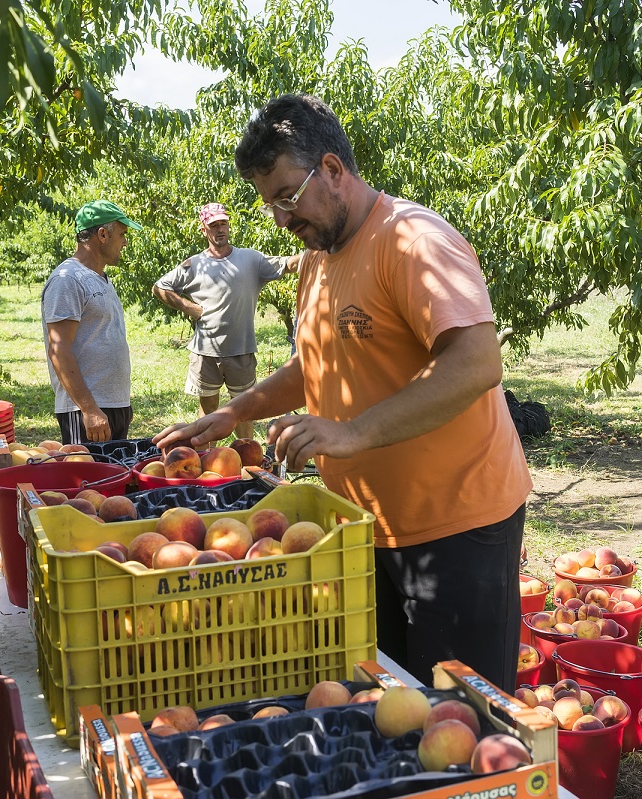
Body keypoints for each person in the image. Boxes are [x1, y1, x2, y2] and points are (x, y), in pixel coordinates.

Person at [155, 94, 533, 688]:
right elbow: (314, 365)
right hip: (363, 528)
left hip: (455, 528)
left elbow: (477, 362)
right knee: (395, 706)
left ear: (331, 170)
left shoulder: (412, 239)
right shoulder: (318, 260)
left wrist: (352, 432)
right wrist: (235, 411)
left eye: (287, 195)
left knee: (465, 725)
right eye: (269, 204)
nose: (280, 217)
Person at [152, 203, 301, 441]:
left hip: (240, 350)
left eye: (223, 223)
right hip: (205, 352)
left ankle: (247, 460)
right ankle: (205, 462)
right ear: (203, 230)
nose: (220, 229)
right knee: (208, 410)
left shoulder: (251, 259)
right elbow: (159, 287)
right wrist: (189, 307)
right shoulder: (194, 264)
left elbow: (288, 264)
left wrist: (315, 255)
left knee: (244, 411)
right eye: (213, 225)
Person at [42, 200, 141, 444]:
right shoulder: (68, 280)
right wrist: (89, 409)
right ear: (103, 234)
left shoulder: (99, 278)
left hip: (111, 406)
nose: (125, 242)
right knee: (88, 482)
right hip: (85, 412)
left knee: (114, 480)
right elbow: (58, 349)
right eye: (122, 234)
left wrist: (121, 406)